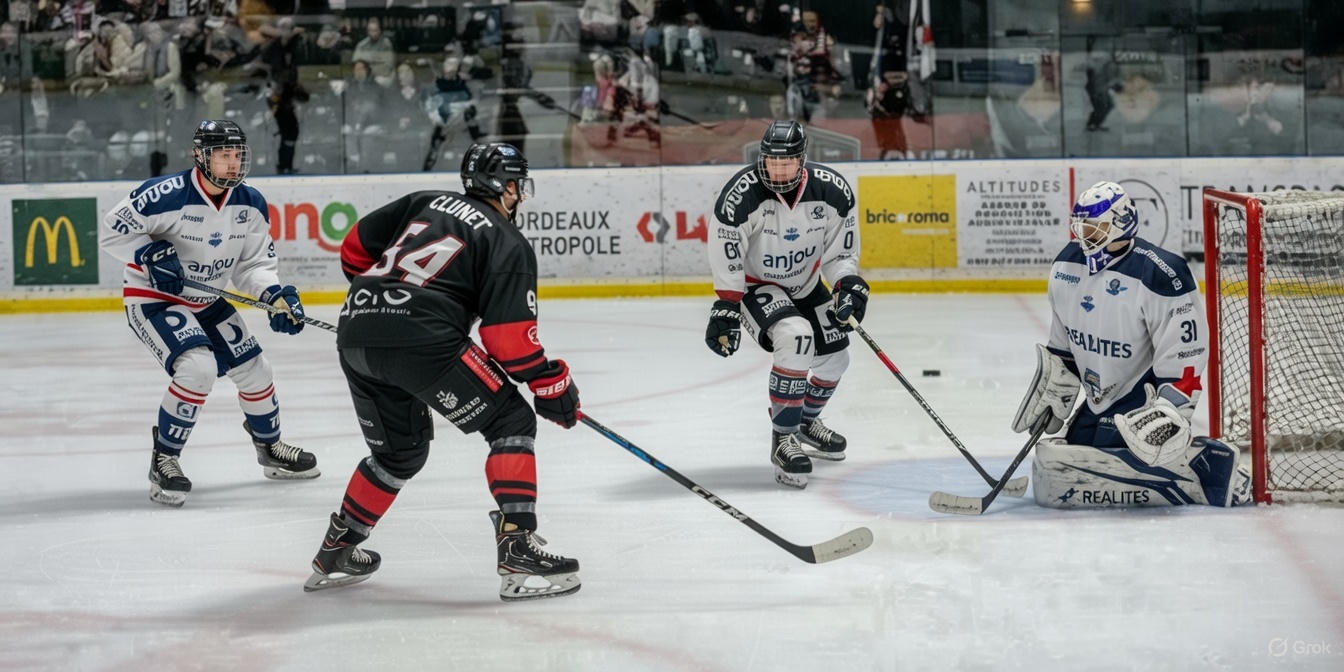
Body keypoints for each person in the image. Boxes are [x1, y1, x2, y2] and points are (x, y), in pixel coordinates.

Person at [305, 142, 583, 602]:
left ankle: (338, 548)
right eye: (518, 185)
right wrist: (550, 382)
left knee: (399, 455)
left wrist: (383, 304)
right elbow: (509, 342)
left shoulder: (424, 201)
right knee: (511, 423)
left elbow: (354, 248)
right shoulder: (506, 239)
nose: (520, 195)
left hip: (354, 331)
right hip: (424, 339)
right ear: (508, 187)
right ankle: (517, 546)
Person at [98, 119, 318, 508]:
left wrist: (275, 296)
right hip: (154, 297)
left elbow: (252, 267)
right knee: (198, 369)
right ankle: (164, 458)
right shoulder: (165, 194)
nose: (233, 164)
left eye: (237, 156)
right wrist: (146, 254)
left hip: (208, 298)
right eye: (223, 156)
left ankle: (269, 448)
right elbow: (112, 230)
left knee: (256, 370)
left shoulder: (250, 202)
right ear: (200, 156)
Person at [1013, 181, 1251, 508]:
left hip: (1143, 397)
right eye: (1080, 228)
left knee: (1109, 455)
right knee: (1070, 451)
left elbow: (1186, 354)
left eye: (1094, 229)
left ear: (1122, 223)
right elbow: (1064, 341)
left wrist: (1170, 409)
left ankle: (1203, 462)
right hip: (1101, 398)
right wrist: (1058, 380)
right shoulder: (1067, 264)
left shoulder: (1161, 273)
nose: (1084, 238)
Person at [704, 120, 865, 489]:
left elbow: (840, 251)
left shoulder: (832, 190)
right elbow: (726, 249)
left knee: (837, 357)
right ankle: (784, 437)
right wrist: (728, 304)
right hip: (758, 287)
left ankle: (806, 422)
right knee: (796, 336)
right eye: (771, 162)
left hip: (807, 284)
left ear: (802, 161)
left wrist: (847, 283)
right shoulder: (741, 194)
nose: (777, 170)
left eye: (786, 163)